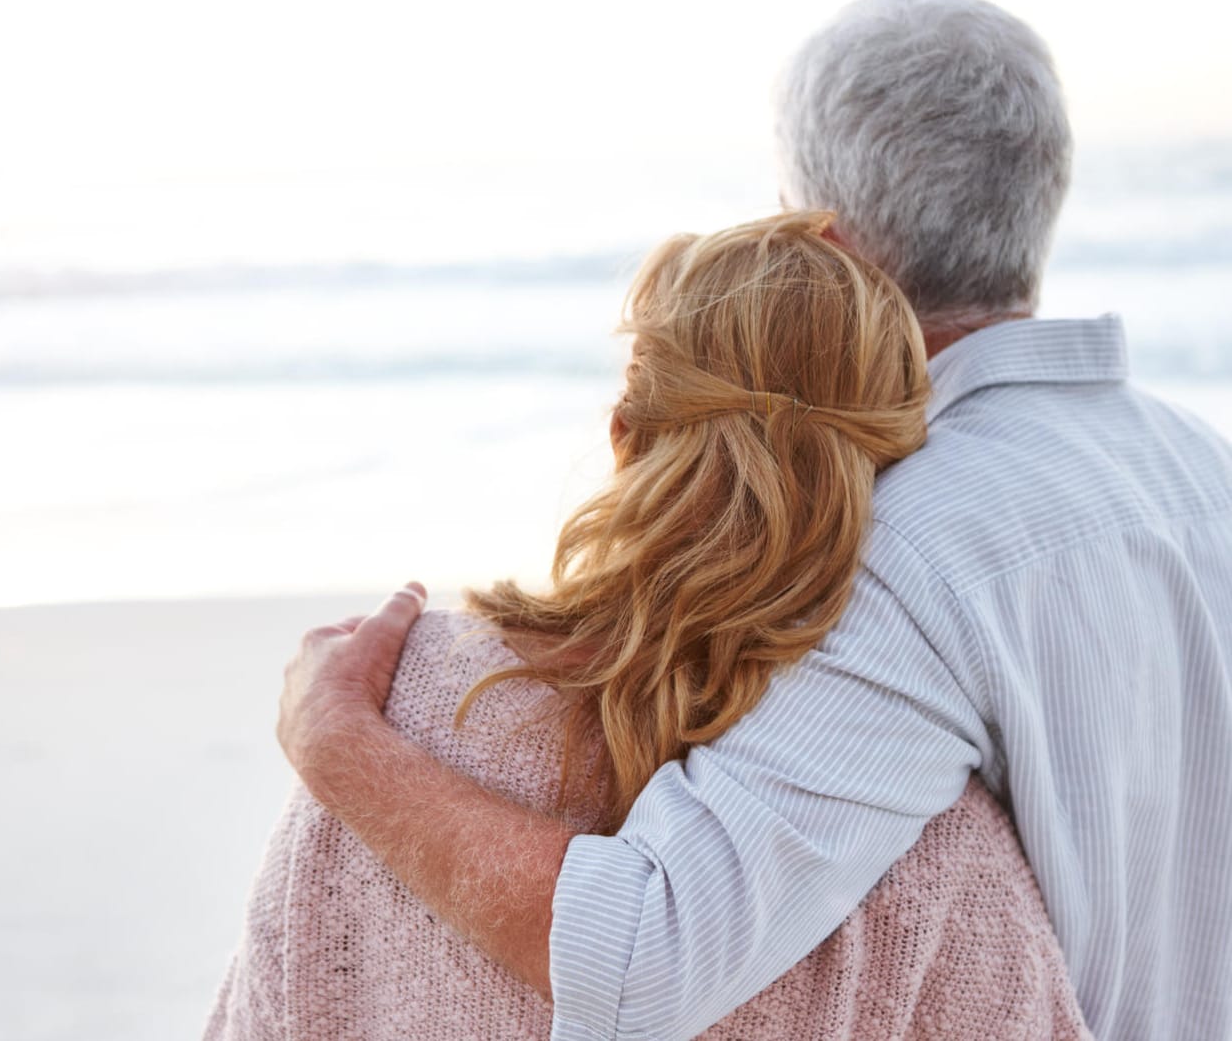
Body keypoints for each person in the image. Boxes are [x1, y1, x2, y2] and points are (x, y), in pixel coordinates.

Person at [272, 0, 1232, 1041]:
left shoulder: (899, 542)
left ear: (824, 249)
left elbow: (646, 955)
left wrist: (337, 745)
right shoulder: (1202, 470)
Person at [210, 213, 1087, 1039]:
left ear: (627, 435)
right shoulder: (915, 812)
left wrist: (338, 741)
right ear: (892, 466)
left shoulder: (395, 699)